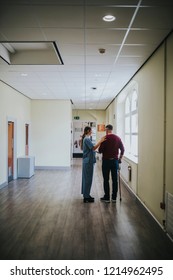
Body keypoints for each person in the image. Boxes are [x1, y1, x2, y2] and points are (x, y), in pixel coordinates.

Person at [98, 124, 125, 203]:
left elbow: (100, 150)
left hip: (106, 161)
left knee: (106, 179)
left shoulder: (105, 138)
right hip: (115, 161)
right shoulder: (118, 138)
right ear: (112, 129)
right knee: (115, 180)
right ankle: (114, 198)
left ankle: (106, 197)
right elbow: (123, 150)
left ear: (107, 129)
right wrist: (120, 158)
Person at [81, 126, 106, 203]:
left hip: (87, 161)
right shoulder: (87, 139)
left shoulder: (86, 138)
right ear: (88, 131)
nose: (91, 132)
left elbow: (91, 150)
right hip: (88, 162)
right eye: (91, 131)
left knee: (86, 179)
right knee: (88, 179)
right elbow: (93, 148)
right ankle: (86, 197)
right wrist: (101, 141)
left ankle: (86, 195)